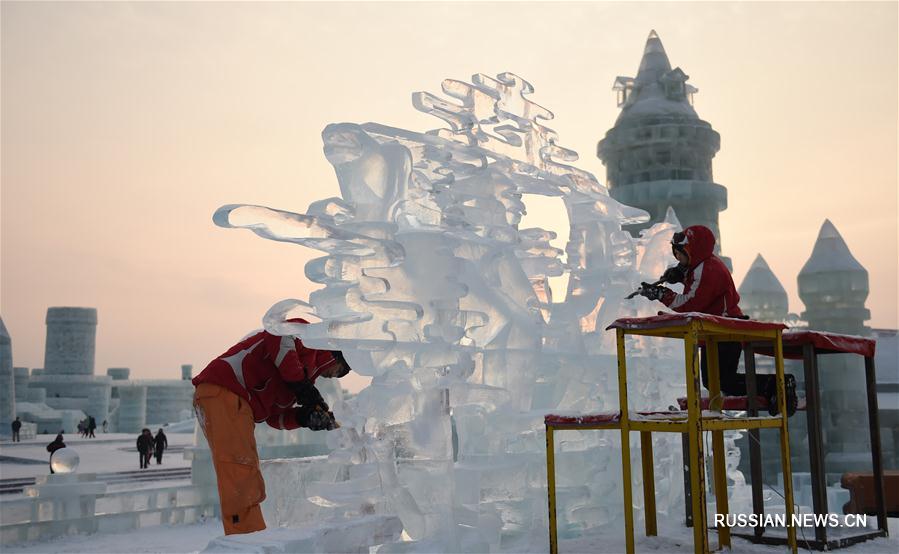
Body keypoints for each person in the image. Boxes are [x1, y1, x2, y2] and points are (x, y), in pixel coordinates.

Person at [192, 320, 352, 535]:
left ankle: (249, 533)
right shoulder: (310, 339)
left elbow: (273, 418)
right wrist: (301, 386)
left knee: (245, 468)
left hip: (235, 402)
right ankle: (247, 538)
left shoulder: (304, 375)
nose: (335, 376)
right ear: (337, 355)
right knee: (239, 468)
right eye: (341, 370)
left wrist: (304, 417)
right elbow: (278, 333)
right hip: (224, 390)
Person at [638, 225, 797, 416]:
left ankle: (776, 383)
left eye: (680, 254)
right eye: (676, 254)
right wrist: (680, 275)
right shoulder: (701, 266)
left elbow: (690, 304)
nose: (677, 259)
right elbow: (697, 289)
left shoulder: (708, 270)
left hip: (725, 330)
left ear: (693, 251)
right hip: (714, 331)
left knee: (723, 381)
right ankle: (769, 387)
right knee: (713, 381)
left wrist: (661, 294)